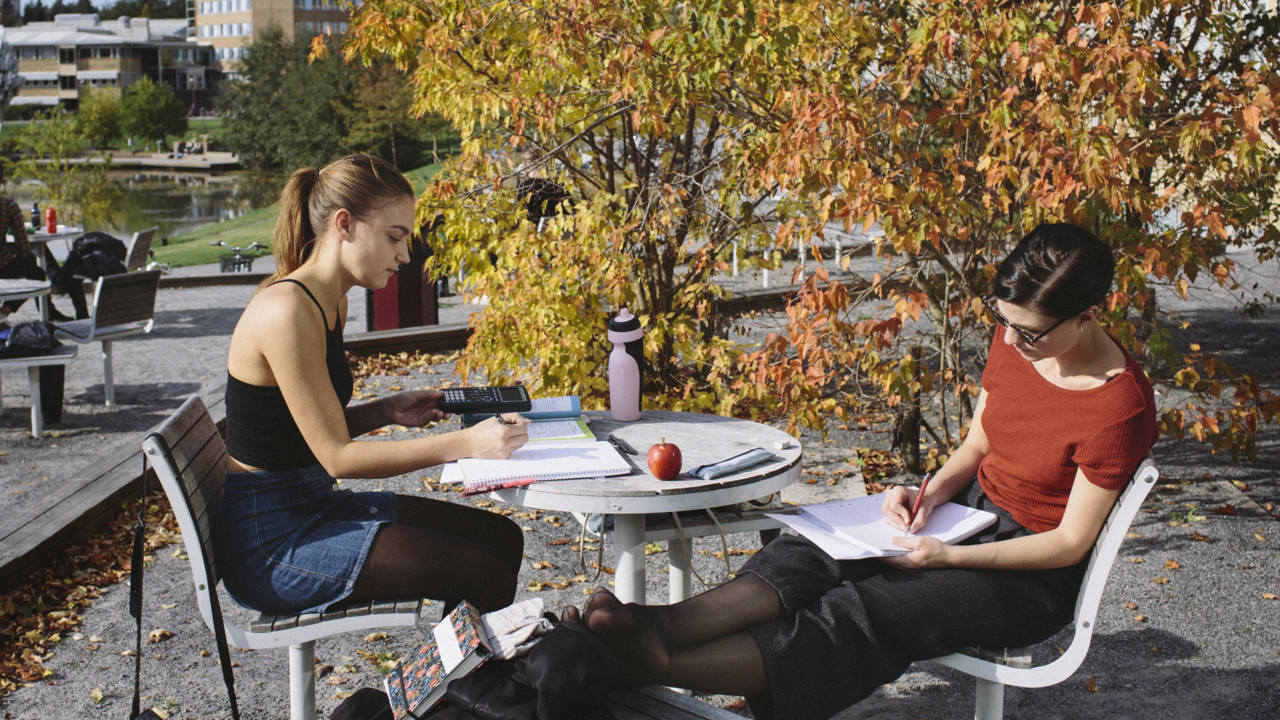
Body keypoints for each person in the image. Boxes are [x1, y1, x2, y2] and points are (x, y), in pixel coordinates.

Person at [566, 222, 1158, 720]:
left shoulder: (1119, 405)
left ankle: (652, 662)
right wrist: (927, 495)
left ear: (1087, 315)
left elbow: (1069, 542)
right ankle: (661, 625)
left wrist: (950, 557)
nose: (1010, 339)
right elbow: (978, 444)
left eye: (1028, 331)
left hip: (1029, 572)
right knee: (815, 547)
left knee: (869, 607)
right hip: (967, 514)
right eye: (1002, 321)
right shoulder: (1018, 342)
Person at [217, 153, 530, 616]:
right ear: (344, 224)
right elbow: (337, 458)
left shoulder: (329, 303)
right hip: (272, 544)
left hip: (313, 507)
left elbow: (296, 431)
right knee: (481, 571)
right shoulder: (286, 312)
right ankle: (463, 687)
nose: (405, 255)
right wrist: (466, 443)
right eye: (394, 237)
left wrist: (385, 410)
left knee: (503, 538)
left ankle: (470, 682)